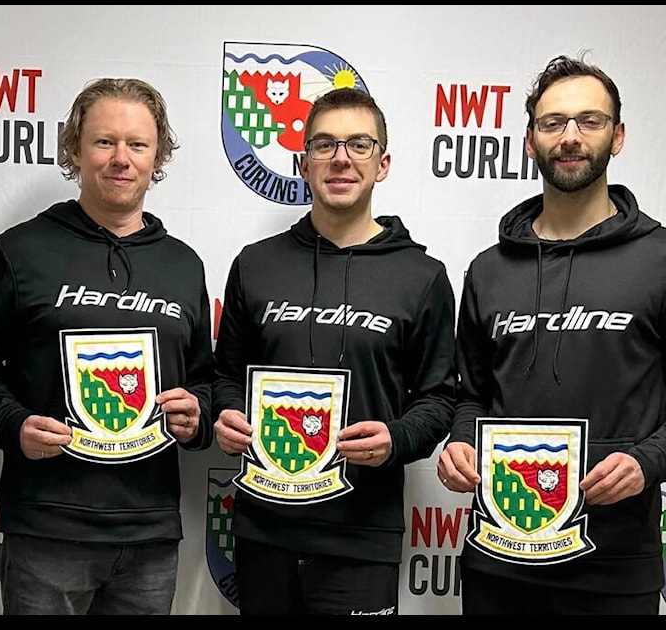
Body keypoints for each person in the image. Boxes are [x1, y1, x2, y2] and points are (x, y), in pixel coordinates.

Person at [0, 77, 214, 615]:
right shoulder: (20, 250)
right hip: (48, 528)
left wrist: (199, 414)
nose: (121, 159)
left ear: (158, 155)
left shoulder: (184, 265)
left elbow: (205, 378)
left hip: (150, 532)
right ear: (75, 149)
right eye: (104, 142)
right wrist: (14, 426)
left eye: (137, 144)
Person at [212, 86, 457, 615]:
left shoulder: (422, 277)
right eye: (324, 145)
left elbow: (439, 399)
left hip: (362, 536)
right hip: (265, 530)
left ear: (383, 163)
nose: (341, 158)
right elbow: (226, 375)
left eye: (358, 145)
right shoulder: (255, 265)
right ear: (303, 163)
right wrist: (226, 411)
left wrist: (396, 437)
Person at [438, 53, 666, 615]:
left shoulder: (659, 259)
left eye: (589, 121)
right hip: (499, 554)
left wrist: (649, 460)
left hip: (615, 564)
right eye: (553, 123)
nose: (570, 137)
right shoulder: (489, 269)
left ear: (617, 136)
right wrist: (460, 442)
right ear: (529, 140)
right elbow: (471, 393)